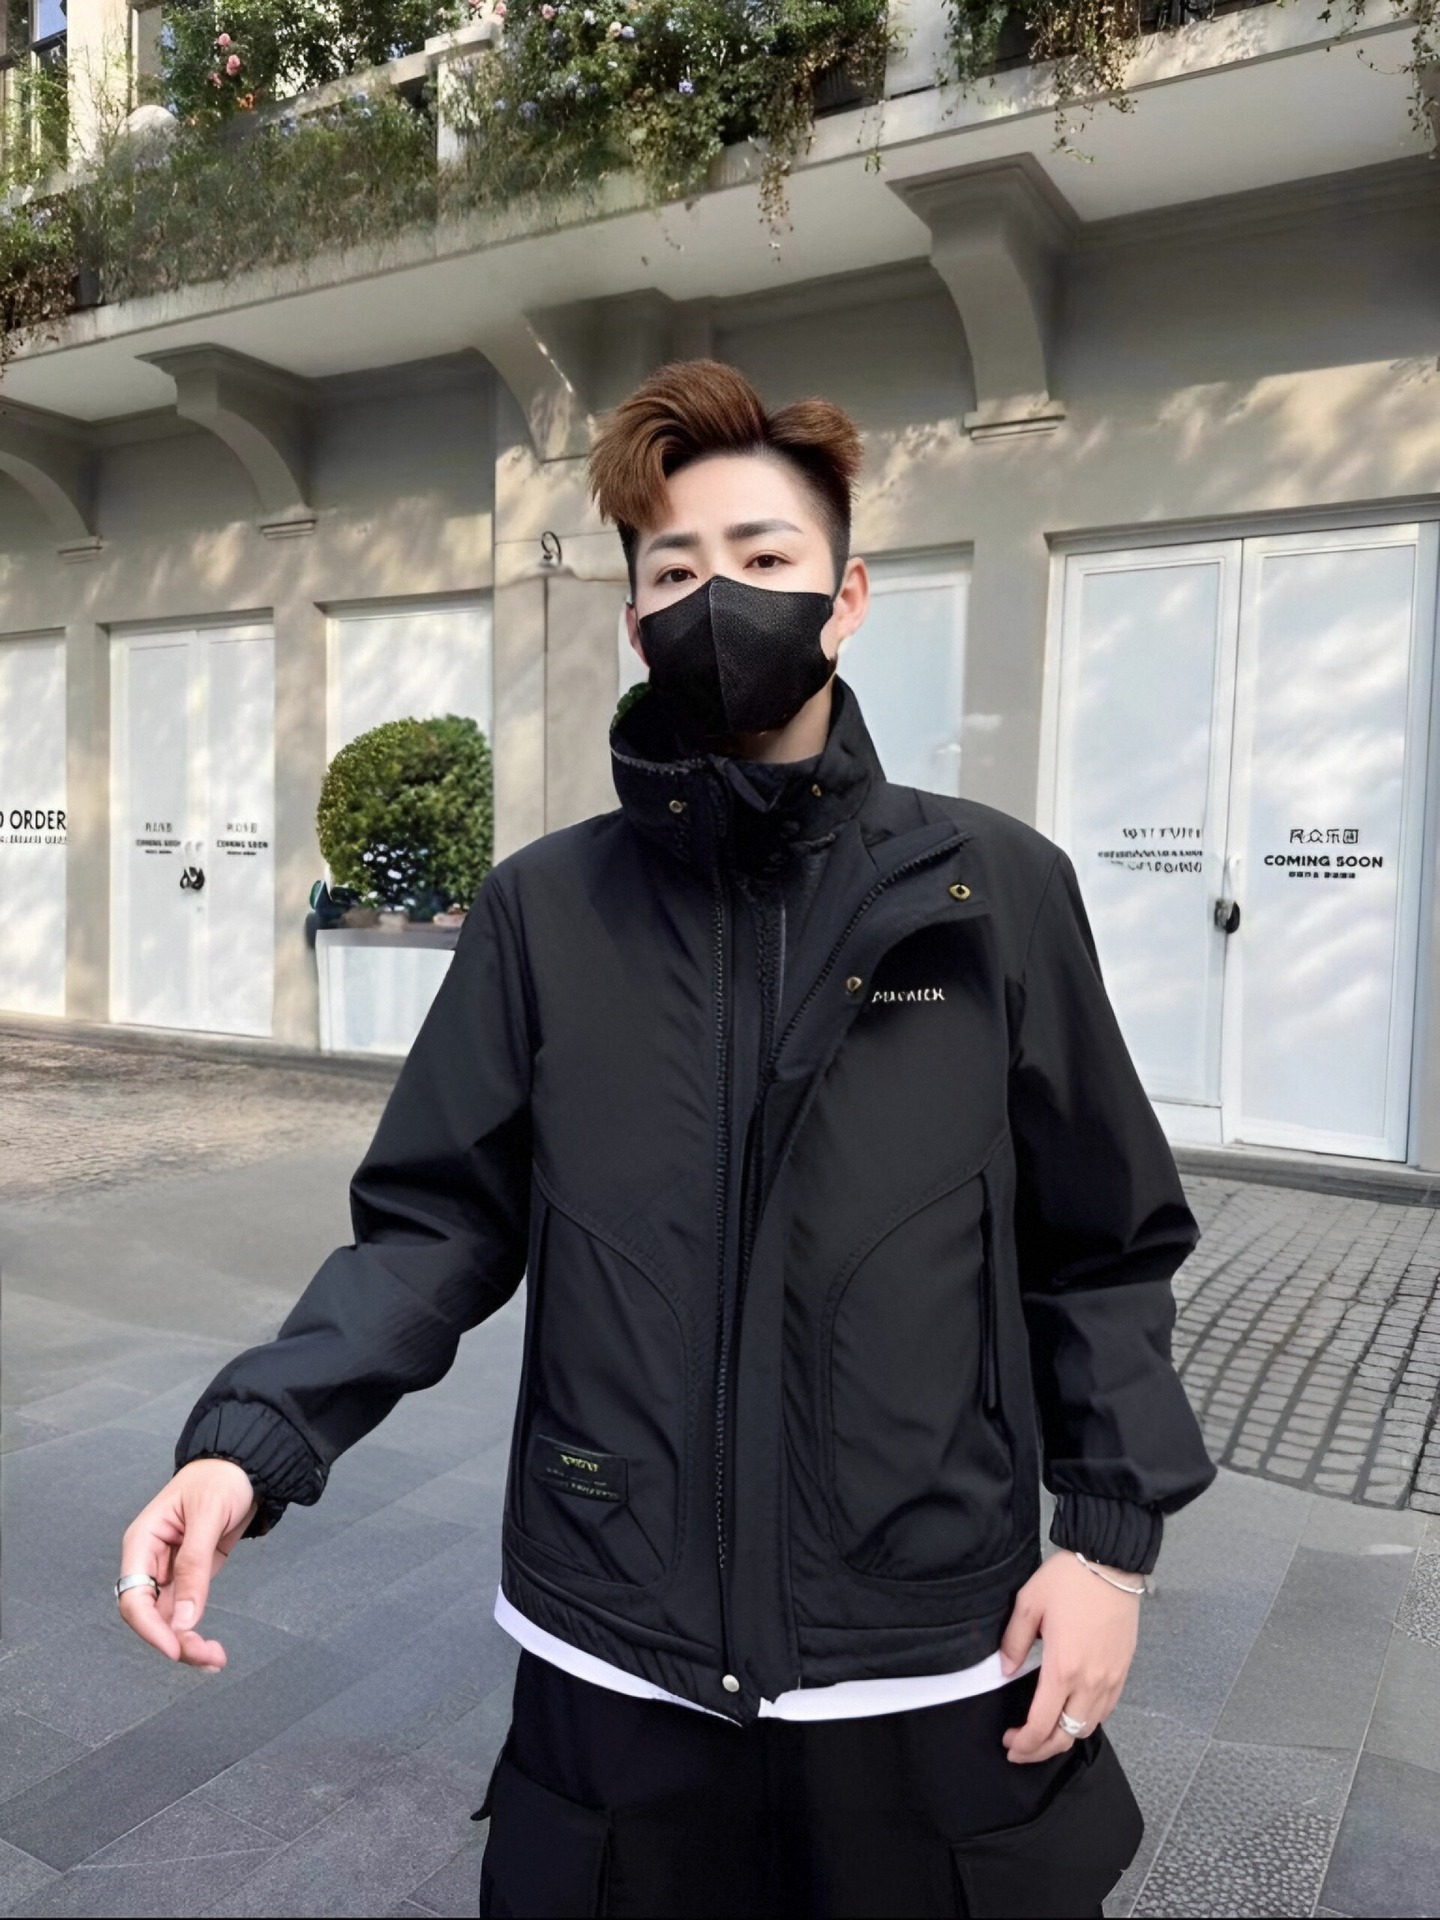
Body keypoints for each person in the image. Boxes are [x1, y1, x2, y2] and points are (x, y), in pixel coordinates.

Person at [116, 361, 1216, 1918]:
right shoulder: (544, 911)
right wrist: (252, 1442)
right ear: (635, 621)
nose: (720, 599)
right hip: (613, 1661)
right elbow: (433, 1226)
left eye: (764, 557)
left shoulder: (994, 891)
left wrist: (1106, 1549)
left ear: (845, 599)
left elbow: (1101, 1245)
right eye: (677, 570)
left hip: (925, 1658)